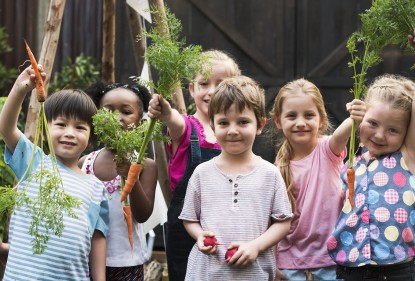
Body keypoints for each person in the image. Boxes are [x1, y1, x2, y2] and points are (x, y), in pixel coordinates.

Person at [178, 75, 293, 280]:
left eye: (242, 122)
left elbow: (283, 223)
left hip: (253, 274)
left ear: (259, 125)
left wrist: (256, 247)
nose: (232, 130)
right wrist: (199, 236)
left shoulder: (270, 174)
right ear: (213, 126)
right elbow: (190, 219)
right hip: (206, 273)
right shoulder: (202, 173)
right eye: (223, 122)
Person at [0, 65, 109, 281]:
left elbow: (98, 239)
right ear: (46, 126)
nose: (69, 133)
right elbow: (6, 127)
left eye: (80, 128)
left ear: (91, 137)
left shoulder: (96, 187)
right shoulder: (33, 161)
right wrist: (21, 89)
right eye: (61, 124)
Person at [147, 49, 241, 280]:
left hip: (228, 219)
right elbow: (175, 123)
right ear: (191, 90)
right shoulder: (188, 126)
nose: (211, 91)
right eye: (204, 84)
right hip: (186, 224)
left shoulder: (236, 132)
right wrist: (167, 112)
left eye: (220, 83)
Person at [270, 78, 366, 280]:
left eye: (309, 115)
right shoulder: (277, 169)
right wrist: (272, 263)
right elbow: (272, 222)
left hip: (331, 261)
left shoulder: (327, 150)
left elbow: (341, 135)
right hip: (290, 265)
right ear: (278, 121)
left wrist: (355, 116)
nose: (300, 122)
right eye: (291, 116)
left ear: (321, 120)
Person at [327, 74, 415, 281]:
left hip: (396, 270)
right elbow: (333, 143)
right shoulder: (350, 160)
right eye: (373, 123)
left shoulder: (407, 157)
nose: (379, 135)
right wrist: (353, 120)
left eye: (393, 130)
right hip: (350, 268)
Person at [79, 82, 158, 281]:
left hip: (126, 262)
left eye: (126, 111)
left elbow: (142, 215)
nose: (117, 118)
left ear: (140, 122)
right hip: (83, 259)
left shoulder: (145, 165)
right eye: (108, 111)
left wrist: (128, 177)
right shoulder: (84, 162)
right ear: (96, 118)